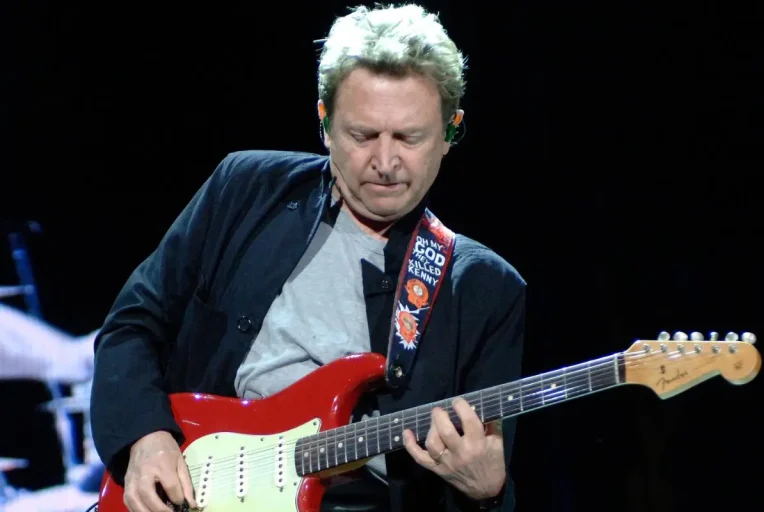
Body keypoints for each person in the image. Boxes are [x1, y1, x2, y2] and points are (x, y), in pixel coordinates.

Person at [90, 3, 526, 511]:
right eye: (363, 135)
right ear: (325, 123)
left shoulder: (483, 288)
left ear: (451, 131)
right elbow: (132, 325)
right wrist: (145, 438)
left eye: (409, 137)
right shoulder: (246, 189)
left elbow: (481, 479)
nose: (386, 163)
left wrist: (488, 493)